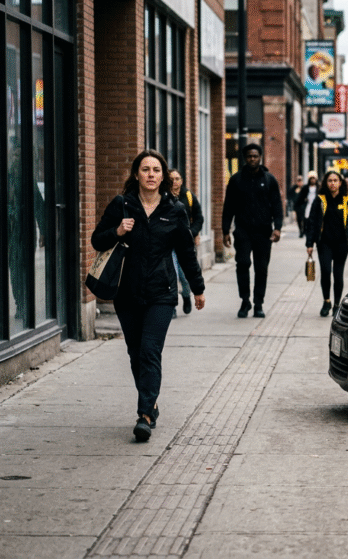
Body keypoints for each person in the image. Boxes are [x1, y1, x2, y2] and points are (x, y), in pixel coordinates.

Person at [91, 149, 206, 442]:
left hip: (161, 293)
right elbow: (96, 239)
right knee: (135, 353)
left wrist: (197, 288)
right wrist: (117, 231)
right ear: (136, 174)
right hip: (127, 294)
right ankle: (151, 402)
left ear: (163, 176)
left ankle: (144, 415)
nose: (151, 175)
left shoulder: (175, 209)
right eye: (145, 169)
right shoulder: (122, 205)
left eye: (156, 170)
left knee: (149, 351)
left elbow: (186, 252)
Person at [222, 143, 283, 319]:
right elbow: (228, 207)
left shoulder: (269, 180)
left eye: (255, 156)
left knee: (261, 268)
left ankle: (258, 304)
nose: (252, 159)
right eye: (249, 156)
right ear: (245, 158)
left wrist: (277, 228)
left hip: (264, 231)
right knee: (242, 264)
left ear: (260, 157)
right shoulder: (236, 180)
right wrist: (225, 230)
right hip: (242, 230)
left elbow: (277, 206)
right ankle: (245, 300)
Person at [305, 171, 348, 317]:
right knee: (325, 272)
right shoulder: (320, 200)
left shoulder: (347, 199)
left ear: (340, 183)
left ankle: (337, 304)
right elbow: (312, 222)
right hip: (324, 243)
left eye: (335, 180)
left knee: (338, 275)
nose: (332, 183)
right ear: (325, 182)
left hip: (342, 244)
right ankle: (326, 301)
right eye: (330, 180)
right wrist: (309, 243)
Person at [168, 169, 204, 315]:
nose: (174, 182)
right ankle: (172, 306)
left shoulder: (188, 196)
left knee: (183, 274)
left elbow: (198, 217)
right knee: (172, 273)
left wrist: (192, 233)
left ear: (181, 180)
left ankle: (186, 295)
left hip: (184, 242)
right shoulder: (163, 196)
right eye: (171, 179)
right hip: (169, 243)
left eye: (177, 178)